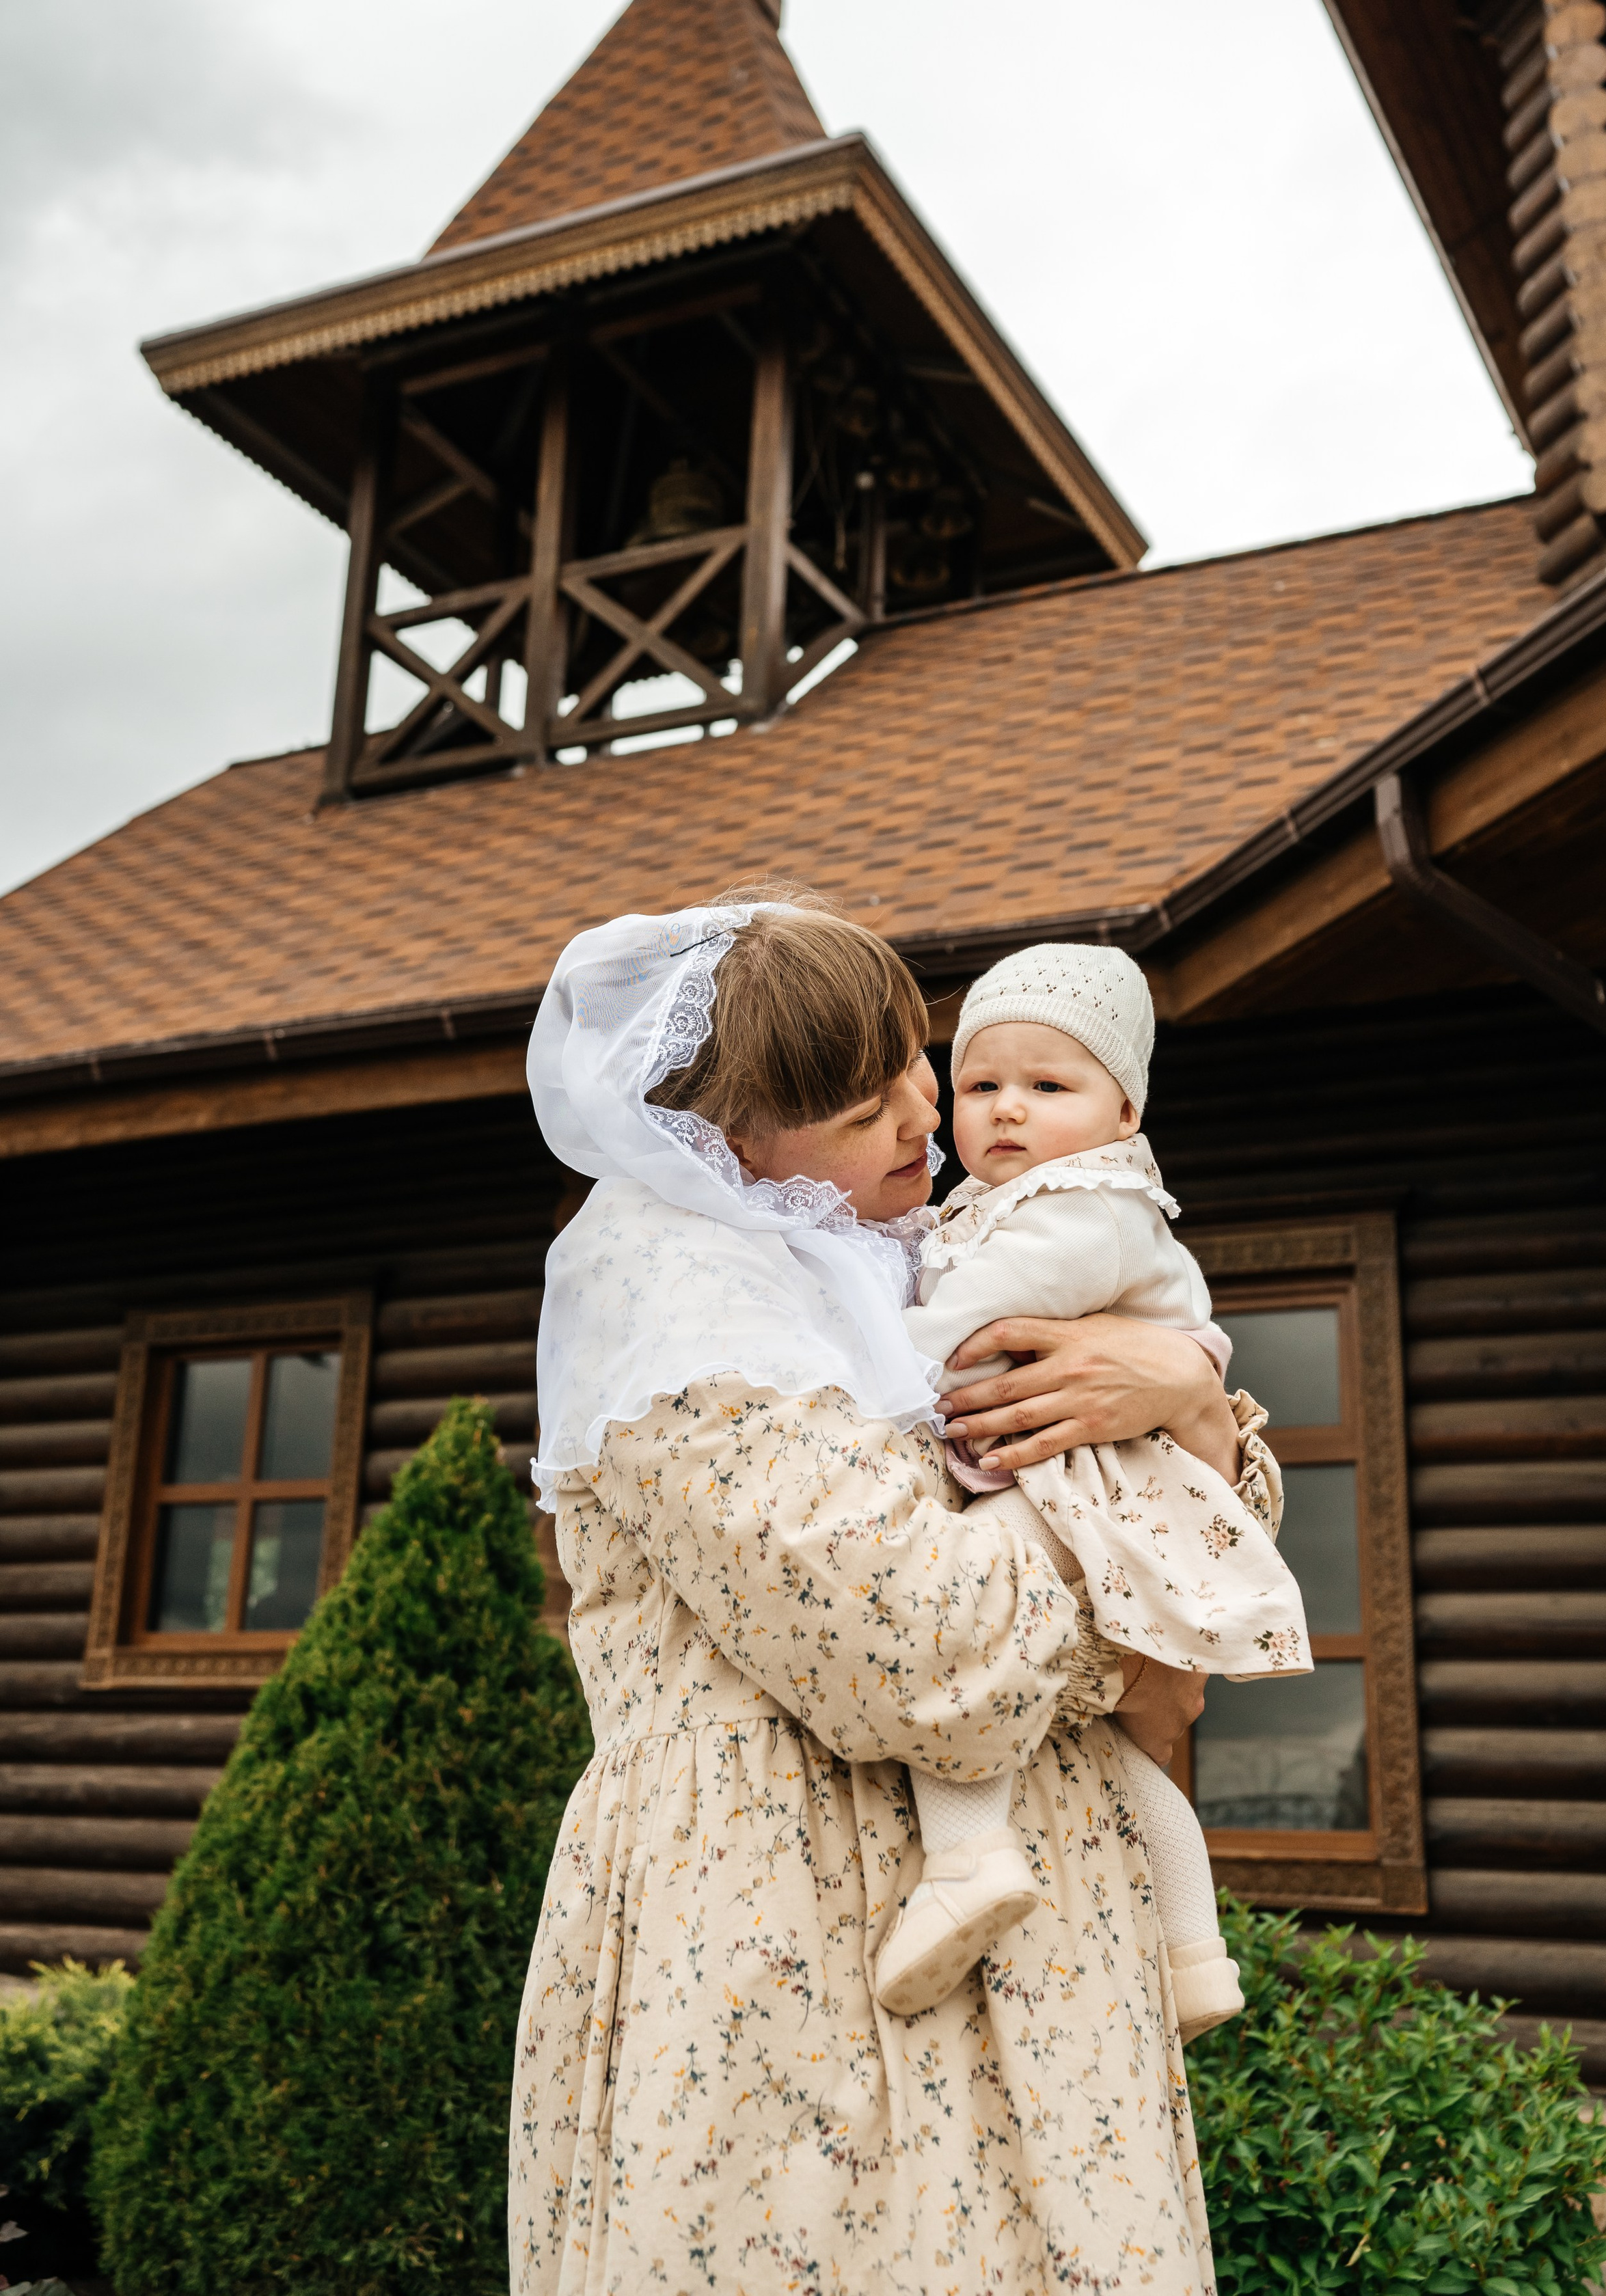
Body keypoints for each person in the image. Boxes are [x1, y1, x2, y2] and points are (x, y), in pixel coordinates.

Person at [512, 891, 1287, 2296]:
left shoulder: (888, 1253)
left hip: (1030, 1926)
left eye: (913, 1071)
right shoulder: (675, 1291)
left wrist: (1187, 1395)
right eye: (869, 1108)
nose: (925, 1124)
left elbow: (1206, 1537)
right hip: (799, 1928)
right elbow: (920, 1645)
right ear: (736, 1133)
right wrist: (1147, 1471)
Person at [873, 942, 1308, 2028]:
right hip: (1079, 1466)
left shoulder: (1086, 1209)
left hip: (1090, 1475)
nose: (1007, 1111)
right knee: (1111, 1761)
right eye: (982, 1085)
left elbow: (967, 1332)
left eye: (1048, 1086)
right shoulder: (999, 1205)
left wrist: (868, 1365)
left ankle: (968, 1859)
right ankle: (1196, 1955)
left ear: (1125, 1117)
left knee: (969, 1643)